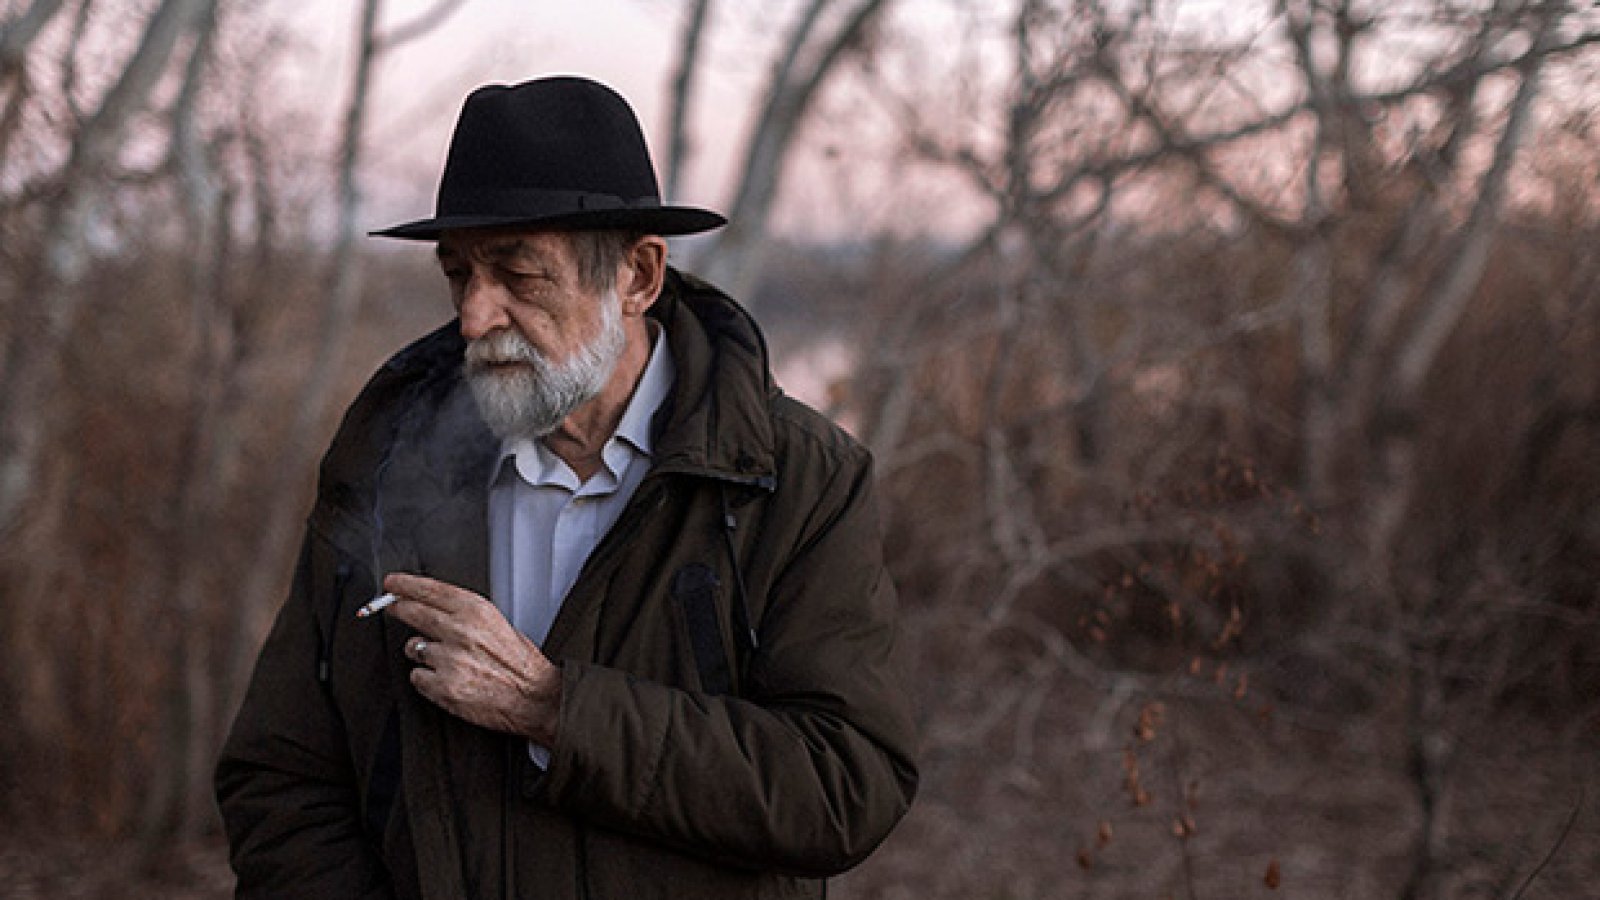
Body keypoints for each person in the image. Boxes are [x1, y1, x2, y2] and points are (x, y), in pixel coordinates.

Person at [214, 76, 919, 899]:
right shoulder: (387, 466)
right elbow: (280, 775)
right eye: (459, 274)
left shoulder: (794, 480)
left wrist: (554, 708)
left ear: (638, 276)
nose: (476, 316)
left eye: (519, 274)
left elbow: (845, 785)